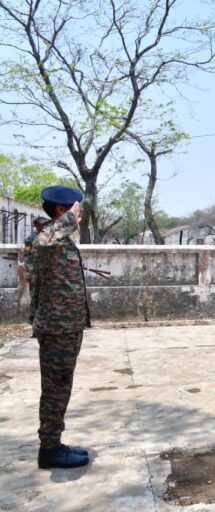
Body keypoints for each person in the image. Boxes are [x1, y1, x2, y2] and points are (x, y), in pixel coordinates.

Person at [33, 186, 91, 469]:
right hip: (57, 327)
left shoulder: (61, 239)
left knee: (60, 387)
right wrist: (70, 218)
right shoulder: (47, 236)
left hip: (65, 326)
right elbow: (43, 243)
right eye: (76, 209)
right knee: (55, 389)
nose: (79, 214)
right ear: (62, 210)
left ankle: (53, 443)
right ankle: (49, 450)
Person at [23, 216, 49, 324]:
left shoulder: (48, 237)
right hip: (35, 273)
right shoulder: (30, 239)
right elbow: (27, 257)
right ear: (37, 226)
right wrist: (30, 274)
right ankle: (33, 322)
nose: (45, 226)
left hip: (46, 273)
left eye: (46, 224)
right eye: (42, 224)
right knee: (35, 298)